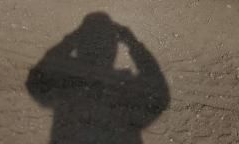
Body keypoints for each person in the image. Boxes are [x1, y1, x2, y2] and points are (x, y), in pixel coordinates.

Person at [26, 12, 170, 144]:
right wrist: (132, 43)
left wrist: (71, 39)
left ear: (80, 45)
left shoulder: (65, 84)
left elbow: (37, 79)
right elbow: (159, 95)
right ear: (113, 48)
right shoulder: (124, 87)